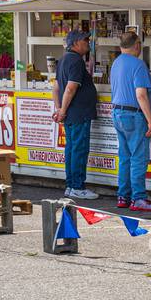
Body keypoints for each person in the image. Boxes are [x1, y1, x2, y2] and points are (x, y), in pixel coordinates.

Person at [110, 30, 151, 212]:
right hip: (134, 115)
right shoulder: (138, 65)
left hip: (117, 113)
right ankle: (138, 198)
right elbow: (141, 94)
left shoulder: (115, 63)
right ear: (137, 45)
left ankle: (123, 196)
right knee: (139, 158)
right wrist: (150, 120)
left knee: (124, 157)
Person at [52, 29, 98, 200]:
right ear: (76, 42)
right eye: (85, 40)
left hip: (71, 113)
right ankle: (78, 186)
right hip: (78, 113)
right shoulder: (76, 61)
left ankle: (71, 186)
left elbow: (56, 87)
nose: (88, 42)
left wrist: (59, 109)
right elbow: (70, 88)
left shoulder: (63, 60)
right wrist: (62, 110)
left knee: (71, 149)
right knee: (79, 149)